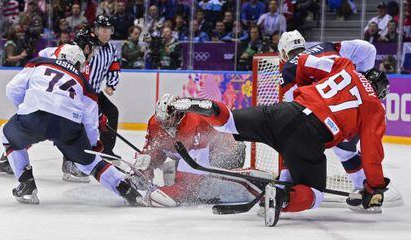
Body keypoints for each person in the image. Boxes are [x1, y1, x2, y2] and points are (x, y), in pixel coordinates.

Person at [170, 55, 390, 222]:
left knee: (230, 123)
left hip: (286, 111)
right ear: (379, 90)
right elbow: (372, 154)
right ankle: (282, 197)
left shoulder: (345, 66)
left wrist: (302, 88)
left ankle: (208, 108)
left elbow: (302, 61)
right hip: (311, 135)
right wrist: (375, 187)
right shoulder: (374, 108)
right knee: (314, 194)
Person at [1, 44, 146, 206]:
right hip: (67, 125)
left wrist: (26, 108)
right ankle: (126, 190)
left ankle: (26, 185)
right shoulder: (85, 84)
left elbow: (12, 89)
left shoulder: (39, 63)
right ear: (79, 63)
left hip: (34, 117)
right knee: (90, 163)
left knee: (8, 135)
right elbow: (90, 122)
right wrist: (91, 146)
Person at [278, 31, 381, 200]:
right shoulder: (328, 46)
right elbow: (368, 49)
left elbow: (293, 110)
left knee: (289, 138)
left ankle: (283, 186)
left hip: (330, 114)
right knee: (345, 150)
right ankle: (367, 190)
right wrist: (362, 80)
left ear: (283, 52)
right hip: (358, 106)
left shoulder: (289, 69)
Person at [138, 94, 256, 205]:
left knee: (204, 188)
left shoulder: (195, 125)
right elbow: (156, 149)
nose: (163, 124)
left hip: (230, 152)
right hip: (197, 156)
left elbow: (191, 178)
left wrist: (168, 192)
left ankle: (255, 185)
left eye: (168, 119)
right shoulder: (155, 123)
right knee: (172, 174)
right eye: (161, 120)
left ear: (179, 114)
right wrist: (145, 168)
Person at [90, 15, 121, 159]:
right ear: (96, 30)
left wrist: (111, 84)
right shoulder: (88, 45)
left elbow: (114, 67)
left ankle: (106, 150)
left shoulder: (110, 49)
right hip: (82, 93)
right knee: (84, 123)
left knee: (112, 113)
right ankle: (74, 158)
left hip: (95, 92)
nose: (106, 32)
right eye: (103, 29)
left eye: (109, 29)